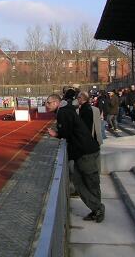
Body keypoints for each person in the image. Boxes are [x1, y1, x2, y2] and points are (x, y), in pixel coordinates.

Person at [46, 93, 105, 222]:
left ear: (56, 102)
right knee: (83, 182)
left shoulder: (63, 112)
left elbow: (66, 132)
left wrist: (56, 134)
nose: (46, 105)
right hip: (86, 151)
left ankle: (98, 208)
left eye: (48, 103)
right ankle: (96, 209)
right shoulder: (66, 110)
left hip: (85, 153)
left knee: (89, 182)